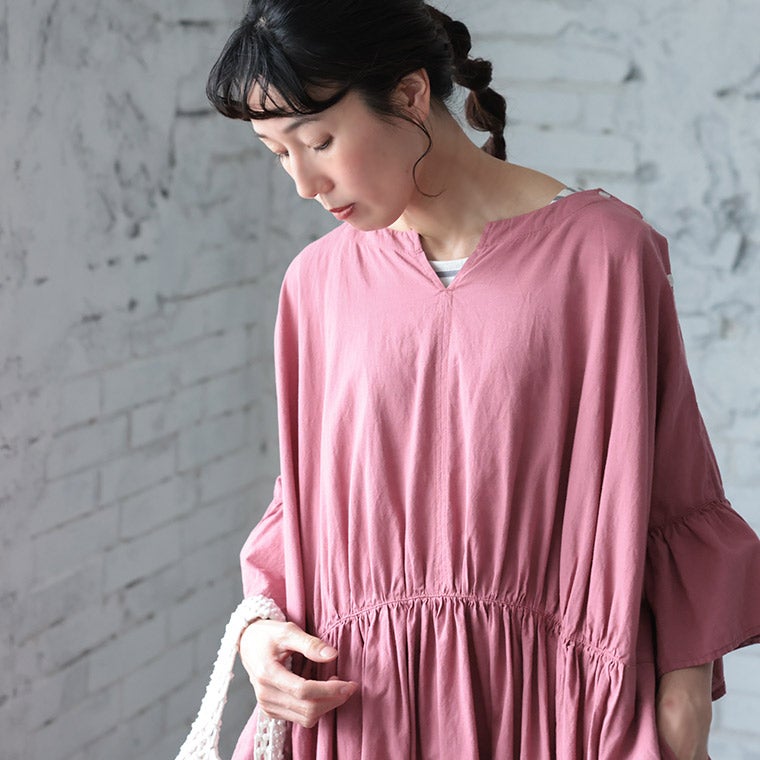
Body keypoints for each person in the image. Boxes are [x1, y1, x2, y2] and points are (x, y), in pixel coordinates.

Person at [205, 1, 760, 758]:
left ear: (409, 95)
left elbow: (671, 488)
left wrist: (683, 696)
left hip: (556, 706)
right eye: (278, 154)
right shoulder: (317, 283)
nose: (304, 182)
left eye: (319, 141)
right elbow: (306, 503)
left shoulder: (605, 255)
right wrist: (259, 636)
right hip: (361, 708)